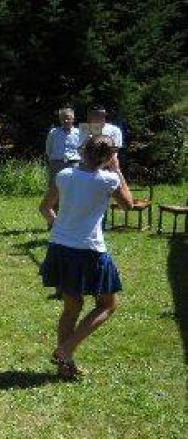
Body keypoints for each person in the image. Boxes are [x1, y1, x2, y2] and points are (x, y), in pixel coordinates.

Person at [38, 135, 133, 380]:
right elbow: (128, 205)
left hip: (60, 247)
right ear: (108, 156)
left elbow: (45, 208)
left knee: (72, 308)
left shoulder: (64, 175)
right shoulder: (108, 180)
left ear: (83, 151)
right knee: (108, 305)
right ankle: (65, 350)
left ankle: (65, 364)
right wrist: (118, 169)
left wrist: (60, 226)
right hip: (89, 250)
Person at [45, 107, 81, 191]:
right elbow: (48, 148)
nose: (66, 121)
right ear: (60, 120)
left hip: (73, 163)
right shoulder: (53, 132)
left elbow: (82, 149)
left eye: (68, 118)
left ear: (73, 119)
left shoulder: (79, 132)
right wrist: (53, 159)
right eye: (63, 119)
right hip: (56, 163)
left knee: (73, 186)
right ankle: (54, 200)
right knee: (54, 186)